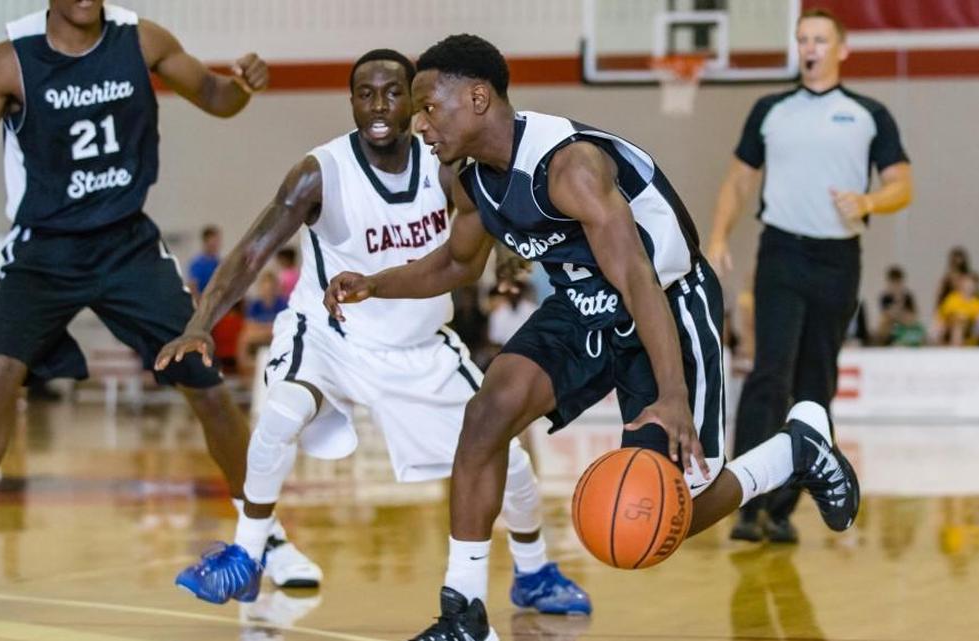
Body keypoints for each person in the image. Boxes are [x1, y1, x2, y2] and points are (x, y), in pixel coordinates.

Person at [324, 34, 860, 641]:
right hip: (582, 306)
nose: (416, 123)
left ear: (477, 98)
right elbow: (455, 265)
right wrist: (375, 282)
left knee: (666, 520)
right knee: (487, 411)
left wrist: (672, 395)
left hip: (664, 302)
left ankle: (794, 449)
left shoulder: (569, 166)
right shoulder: (471, 179)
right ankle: (463, 614)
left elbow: (636, 278)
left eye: (428, 107)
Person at [155, 49, 589, 614]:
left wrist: (509, 268)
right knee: (282, 411)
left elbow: (494, 228)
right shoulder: (320, 171)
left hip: (420, 346)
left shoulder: (448, 164)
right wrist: (201, 324)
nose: (379, 104)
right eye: (365, 93)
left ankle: (533, 572)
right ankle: (246, 556)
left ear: (414, 100)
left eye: (392, 92)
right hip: (331, 336)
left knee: (509, 463)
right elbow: (252, 251)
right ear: (351, 100)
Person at [0, 0, 312, 609]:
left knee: (204, 378)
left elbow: (213, 96)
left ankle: (263, 536)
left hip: (126, 243)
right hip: (42, 248)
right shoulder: (9, 63)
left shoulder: (142, 40)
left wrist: (243, 89)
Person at [705, 9, 913, 543]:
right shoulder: (770, 110)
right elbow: (738, 180)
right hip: (782, 252)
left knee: (815, 383)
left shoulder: (869, 114)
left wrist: (869, 200)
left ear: (842, 49)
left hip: (839, 259)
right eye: (803, 39)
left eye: (820, 39)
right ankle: (747, 499)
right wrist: (719, 235)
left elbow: (902, 184)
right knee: (770, 372)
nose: (810, 47)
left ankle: (782, 507)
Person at [188, 225, 222, 296]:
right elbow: (193, 287)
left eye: (217, 241)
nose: (216, 245)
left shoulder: (219, 262)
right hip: (202, 301)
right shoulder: (198, 264)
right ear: (205, 242)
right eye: (213, 242)